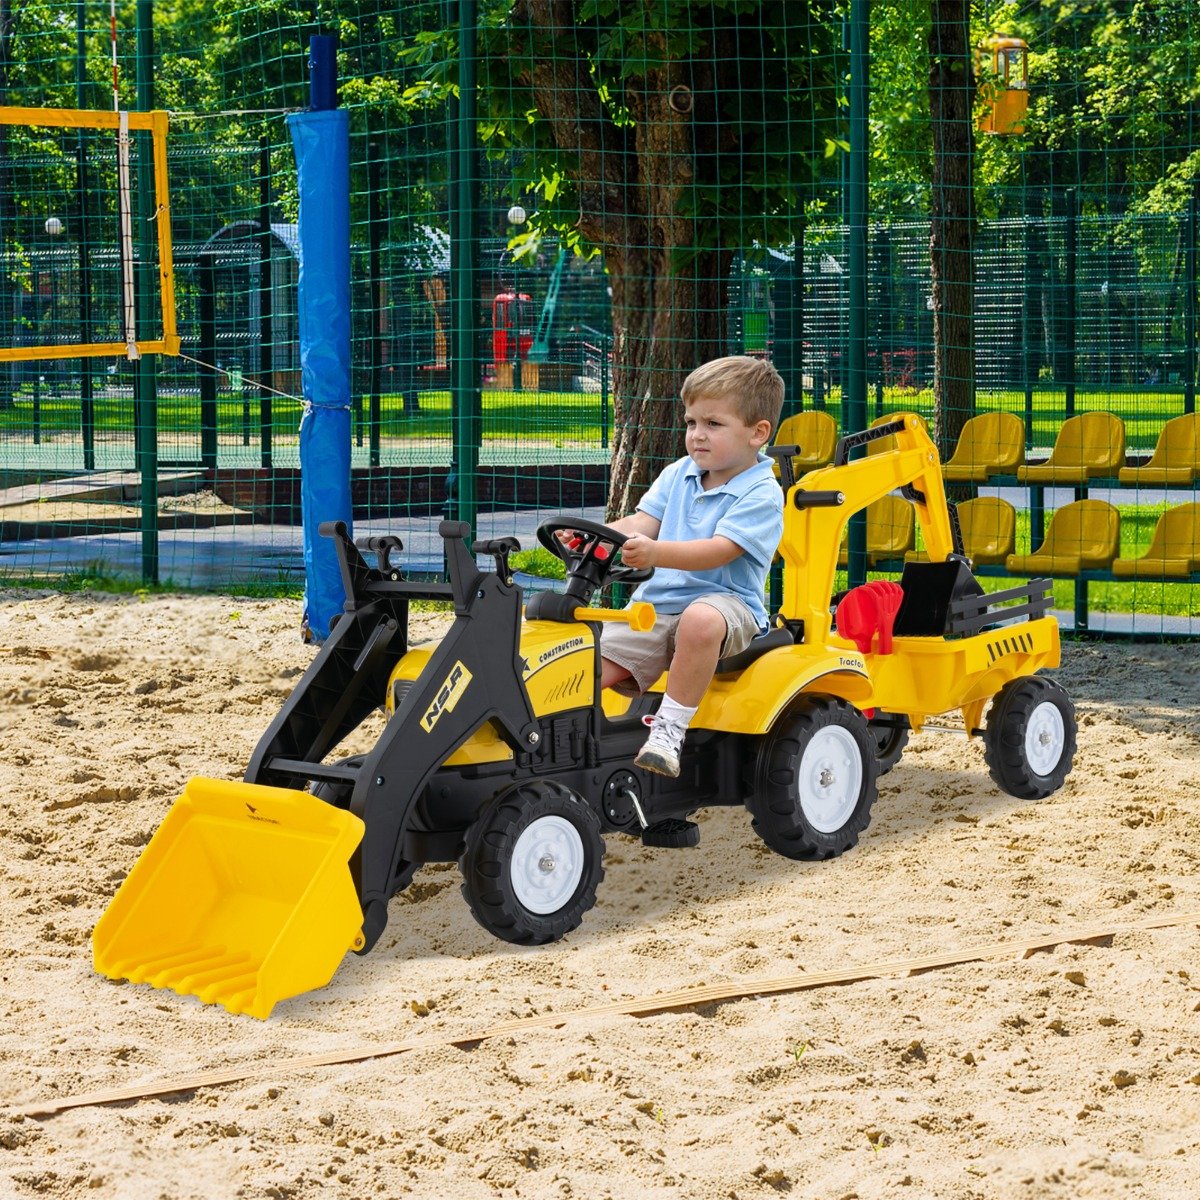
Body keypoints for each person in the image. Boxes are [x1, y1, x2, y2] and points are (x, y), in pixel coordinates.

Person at [596, 355, 785, 777]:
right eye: (691, 422)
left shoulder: (761, 493)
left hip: (727, 606)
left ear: (757, 433)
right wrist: (598, 536)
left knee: (700, 620)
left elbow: (719, 550)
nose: (697, 435)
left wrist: (656, 554)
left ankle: (669, 731)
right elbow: (641, 523)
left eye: (713, 424)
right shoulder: (679, 473)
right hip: (658, 606)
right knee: (585, 664)